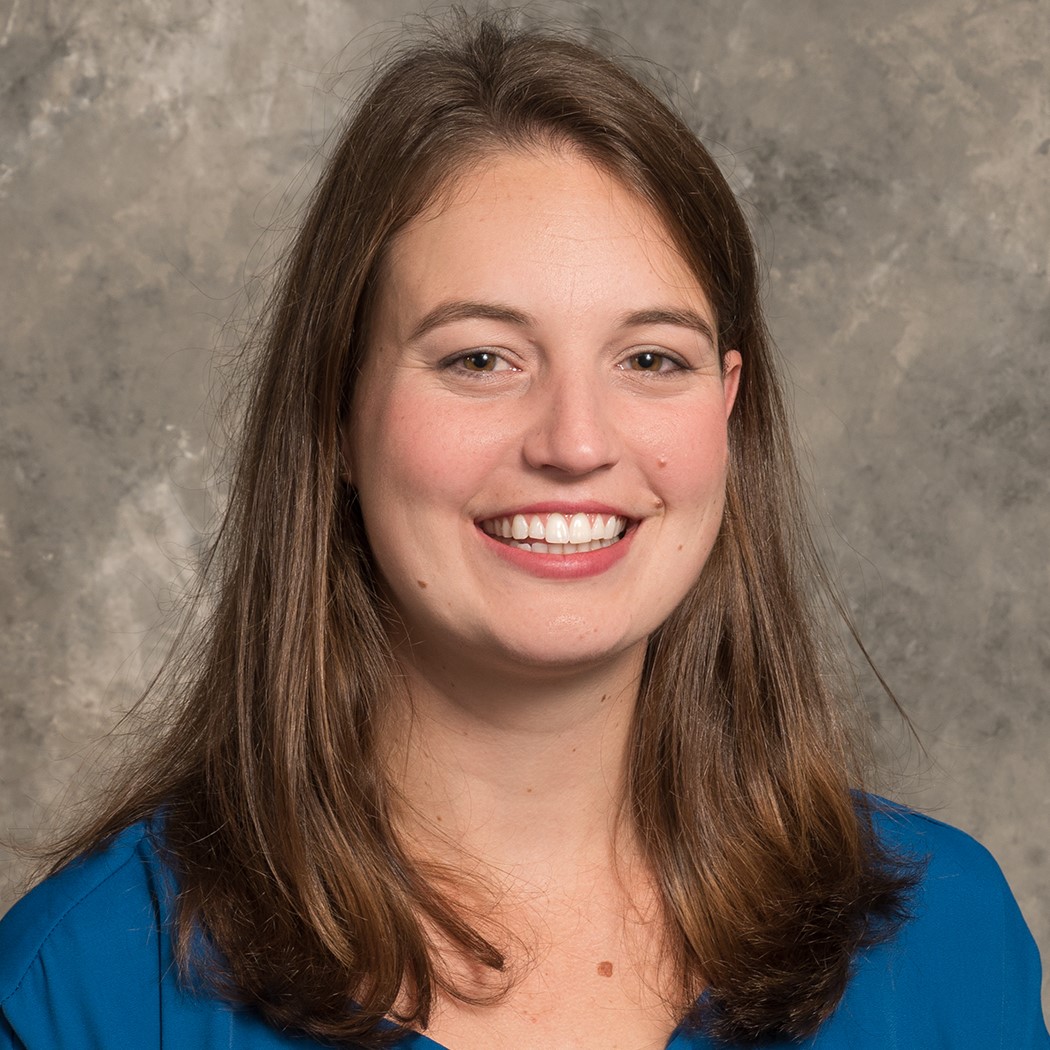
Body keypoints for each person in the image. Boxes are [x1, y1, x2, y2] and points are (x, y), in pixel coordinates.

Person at [0, 15, 1046, 1050]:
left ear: (728, 410)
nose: (575, 442)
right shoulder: (84, 987)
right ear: (336, 415)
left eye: (650, 360)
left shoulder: (945, 938)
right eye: (481, 359)